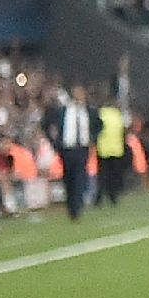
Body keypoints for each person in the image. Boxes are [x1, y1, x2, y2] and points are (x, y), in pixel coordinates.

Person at [47, 83, 96, 220]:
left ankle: (77, 208)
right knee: (69, 178)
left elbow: (98, 125)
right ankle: (71, 205)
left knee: (80, 177)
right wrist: (55, 143)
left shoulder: (89, 110)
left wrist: (93, 138)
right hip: (67, 149)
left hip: (82, 148)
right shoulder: (63, 110)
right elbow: (48, 124)